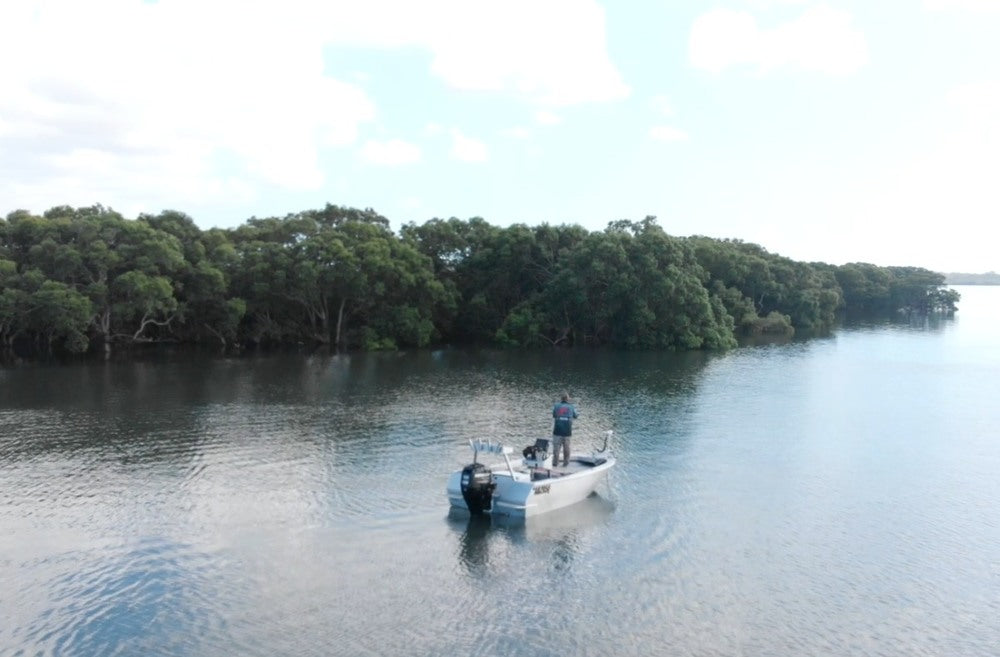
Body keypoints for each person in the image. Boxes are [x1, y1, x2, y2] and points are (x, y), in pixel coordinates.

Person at [551, 392, 578, 467]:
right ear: (567, 399)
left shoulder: (556, 406)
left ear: (561, 398)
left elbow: (554, 415)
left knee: (556, 449)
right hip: (567, 432)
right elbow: (576, 416)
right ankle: (565, 464)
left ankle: (555, 464)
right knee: (566, 449)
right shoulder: (571, 406)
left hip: (557, 431)